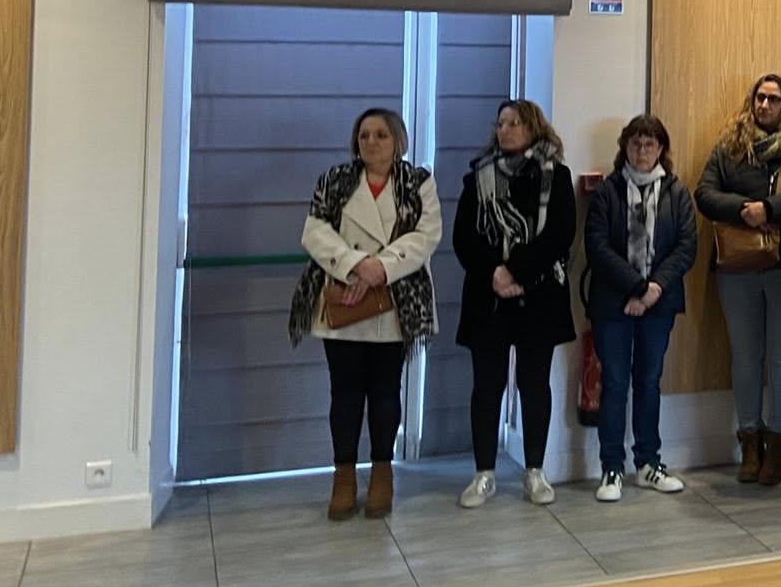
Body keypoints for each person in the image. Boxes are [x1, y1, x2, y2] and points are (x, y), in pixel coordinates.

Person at [293, 108, 443, 521]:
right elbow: (314, 230)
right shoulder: (335, 180)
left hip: (394, 303)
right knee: (344, 395)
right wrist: (357, 264)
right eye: (364, 136)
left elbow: (427, 234)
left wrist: (382, 268)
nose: (371, 143)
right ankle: (343, 477)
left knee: (384, 393)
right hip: (343, 300)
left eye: (380, 135)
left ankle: (382, 474)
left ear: (398, 139)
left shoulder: (418, 182)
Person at [696, 73, 781, 487]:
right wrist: (745, 209)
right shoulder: (730, 146)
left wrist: (770, 208)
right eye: (759, 98)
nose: (765, 106)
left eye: (773, 99)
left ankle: (777, 445)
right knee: (745, 355)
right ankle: (749, 444)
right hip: (738, 264)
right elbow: (704, 193)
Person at [455, 99, 578, 509]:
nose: (506, 130)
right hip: (488, 296)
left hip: (538, 293)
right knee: (486, 387)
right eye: (502, 123)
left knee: (533, 383)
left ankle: (535, 472)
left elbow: (560, 233)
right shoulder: (478, 177)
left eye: (516, 123)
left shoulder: (555, 176)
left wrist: (517, 272)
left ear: (535, 128)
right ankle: (484, 474)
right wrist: (496, 272)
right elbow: (464, 239)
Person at [583, 114, 698, 502]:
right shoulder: (607, 192)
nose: (643, 150)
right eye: (635, 143)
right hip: (612, 303)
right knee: (615, 383)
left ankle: (648, 464)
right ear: (625, 148)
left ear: (661, 148)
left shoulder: (678, 193)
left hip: (658, 303)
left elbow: (686, 247)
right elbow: (597, 248)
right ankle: (611, 468)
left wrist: (653, 290)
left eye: (650, 144)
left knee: (648, 382)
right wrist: (635, 287)